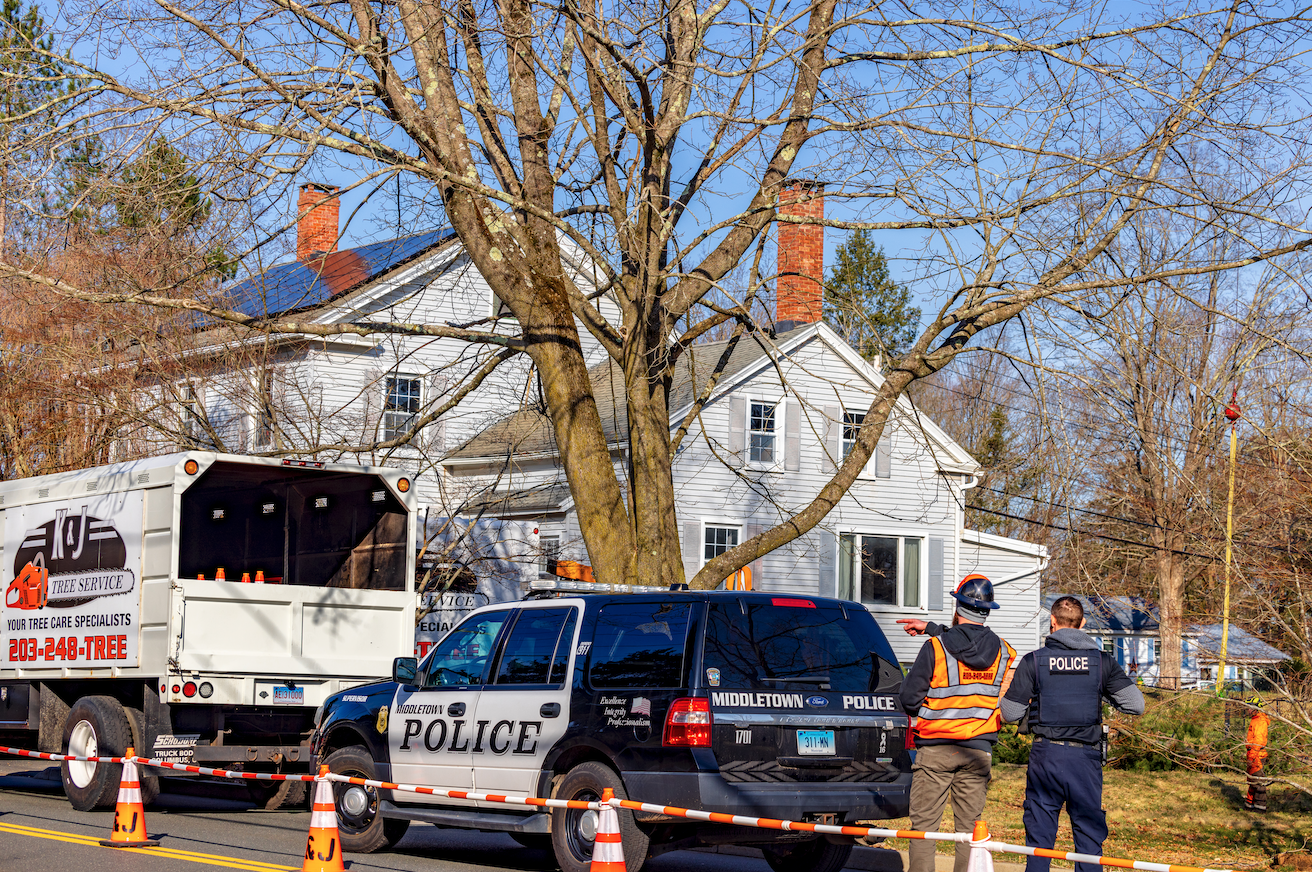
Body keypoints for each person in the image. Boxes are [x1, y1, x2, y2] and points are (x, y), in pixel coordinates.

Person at [1000, 595, 1144, 872]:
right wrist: (1105, 695)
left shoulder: (1034, 661)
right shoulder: (1102, 662)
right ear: (1083, 624)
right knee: (1089, 837)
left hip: (1046, 757)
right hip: (1085, 760)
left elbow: (1009, 713)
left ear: (1052, 623)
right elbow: (1136, 705)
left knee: (1039, 837)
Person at [896, 573, 1016, 872]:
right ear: (987, 610)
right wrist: (933, 629)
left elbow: (909, 700)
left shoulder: (936, 648)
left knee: (924, 828)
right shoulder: (1003, 651)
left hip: (936, 749)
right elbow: (970, 641)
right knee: (970, 831)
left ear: (958, 607)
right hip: (978, 751)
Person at [1245, 698, 1269, 812]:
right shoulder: (1255, 719)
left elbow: (1258, 741)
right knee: (1252, 780)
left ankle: (1260, 807)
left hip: (1257, 755)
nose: (1247, 710)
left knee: (1258, 781)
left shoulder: (1260, 721)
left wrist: (1252, 756)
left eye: (1249, 707)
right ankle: (1250, 805)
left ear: (1255, 708)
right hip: (1253, 753)